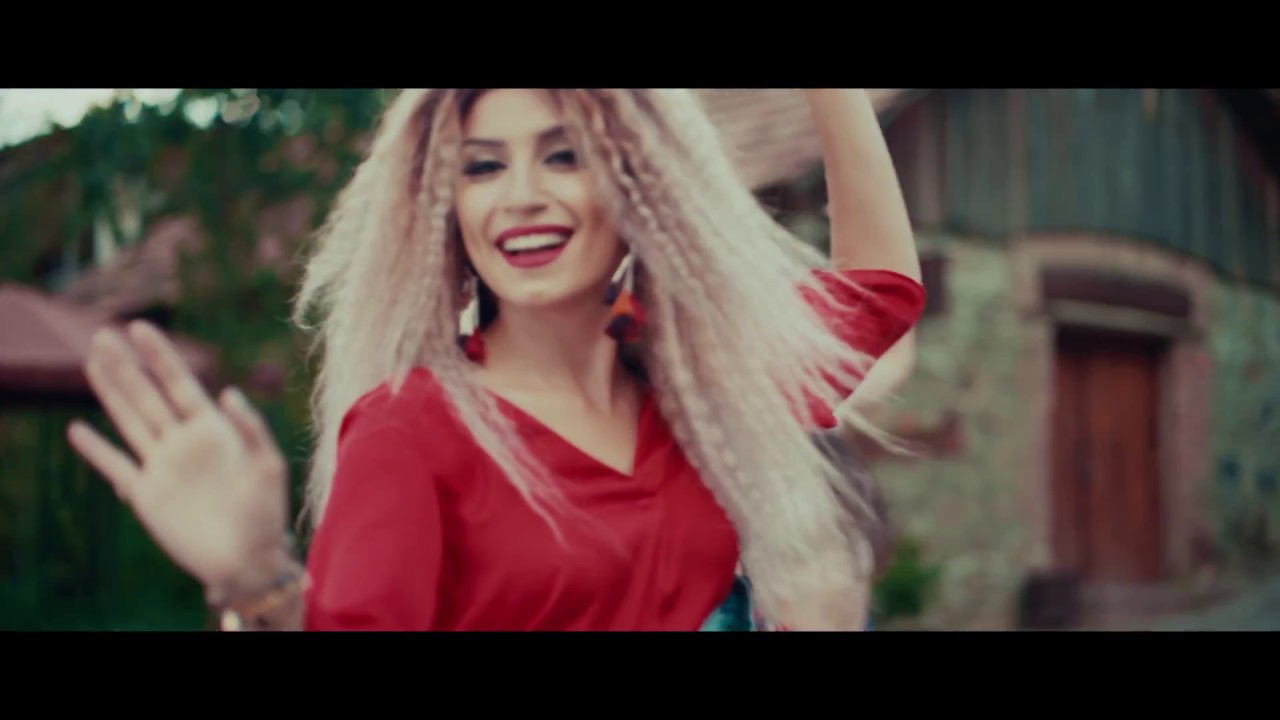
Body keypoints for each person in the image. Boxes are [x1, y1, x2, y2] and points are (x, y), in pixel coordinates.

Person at [66, 89, 925, 631]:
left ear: (638, 184)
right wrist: (253, 581)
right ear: (446, 209)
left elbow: (879, 294)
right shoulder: (412, 430)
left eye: (564, 155)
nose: (520, 197)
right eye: (481, 169)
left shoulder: (696, 401)